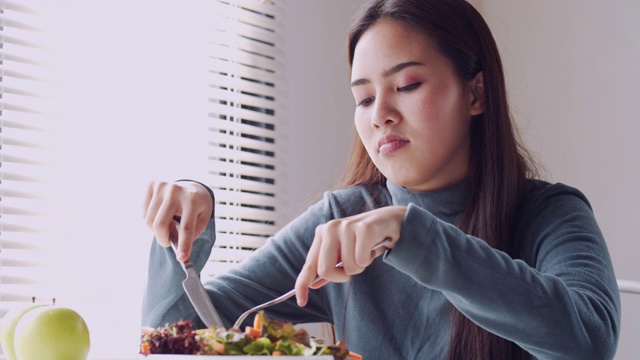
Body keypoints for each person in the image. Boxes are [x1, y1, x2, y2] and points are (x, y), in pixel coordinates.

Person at [141, 0, 620, 359]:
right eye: (364, 99)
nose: (381, 115)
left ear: (475, 93)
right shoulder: (342, 218)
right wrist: (182, 231)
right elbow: (171, 338)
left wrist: (410, 233)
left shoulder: (549, 214)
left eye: (407, 86)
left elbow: (589, 342)